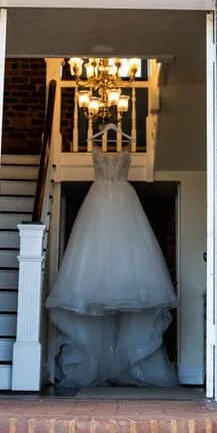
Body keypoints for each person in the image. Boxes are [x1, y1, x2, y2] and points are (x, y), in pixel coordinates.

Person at [46, 133, 177, 387]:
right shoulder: (96, 146)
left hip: (125, 205)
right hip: (98, 206)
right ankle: (95, 364)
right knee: (96, 261)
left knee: (126, 261)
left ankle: (132, 365)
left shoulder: (125, 147)